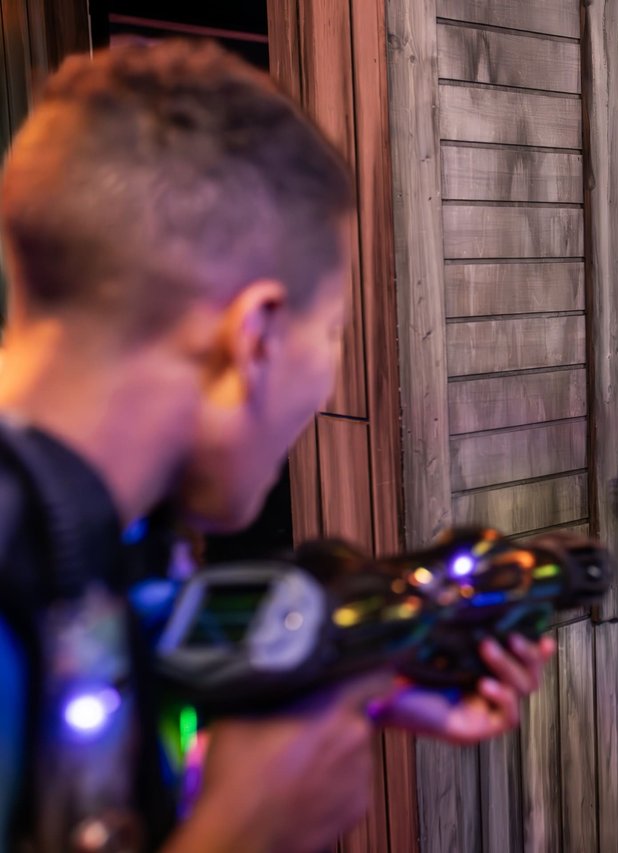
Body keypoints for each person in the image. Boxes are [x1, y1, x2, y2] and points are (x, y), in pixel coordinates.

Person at [0, 40, 554, 851]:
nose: (328, 375)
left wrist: (364, 673)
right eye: (332, 331)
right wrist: (241, 833)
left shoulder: (91, 541)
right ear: (255, 336)